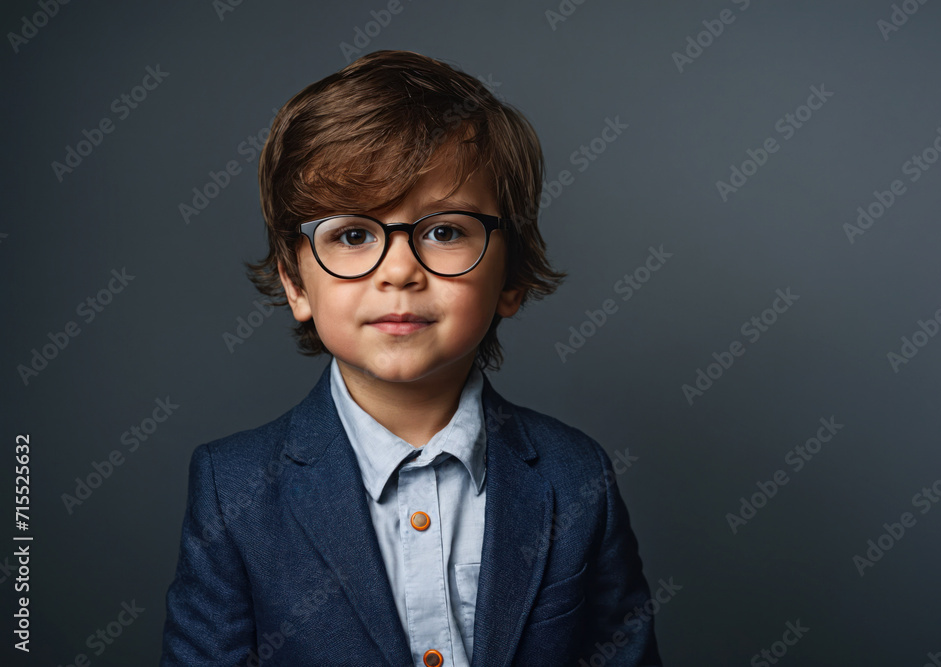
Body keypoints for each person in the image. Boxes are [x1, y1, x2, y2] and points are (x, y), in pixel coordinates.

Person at [160, 49, 662, 666]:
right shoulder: (232, 488)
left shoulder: (574, 473)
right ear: (295, 282)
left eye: (446, 231)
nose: (399, 270)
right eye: (351, 234)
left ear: (512, 276)